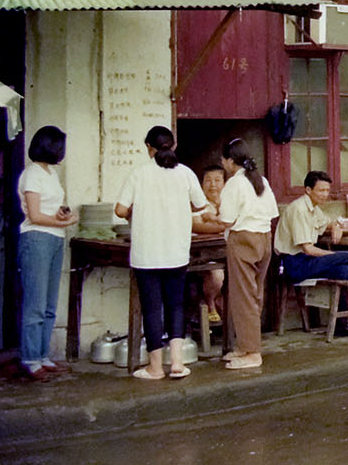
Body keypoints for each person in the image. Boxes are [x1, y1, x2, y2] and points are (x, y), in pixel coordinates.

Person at [114, 126, 210, 379]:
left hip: (147, 253)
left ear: (149, 147)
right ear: (174, 146)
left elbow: (120, 210)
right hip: (176, 251)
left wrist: (137, 210)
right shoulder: (186, 173)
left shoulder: (139, 173)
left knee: (151, 308)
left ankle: (155, 367)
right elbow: (201, 205)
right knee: (176, 305)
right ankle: (177, 363)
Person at [273, 171, 348, 327]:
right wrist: (334, 256)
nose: (325, 194)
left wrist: (336, 226)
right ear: (308, 190)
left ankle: (342, 324)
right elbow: (308, 249)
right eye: (321, 190)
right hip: (293, 264)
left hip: (305, 260)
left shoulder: (313, 208)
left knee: (345, 271)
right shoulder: (299, 209)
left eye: (327, 190)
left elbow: (328, 222)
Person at [16, 126, 78, 378]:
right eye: (60, 146)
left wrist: (62, 214)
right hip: (37, 238)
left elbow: (49, 209)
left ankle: (43, 355)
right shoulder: (32, 174)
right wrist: (64, 222)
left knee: (50, 303)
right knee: (36, 303)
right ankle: (31, 359)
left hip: (55, 238)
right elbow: (34, 215)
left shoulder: (51, 173)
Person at [218, 138, 279, 370]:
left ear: (229, 161)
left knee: (243, 297)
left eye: (223, 160)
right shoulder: (260, 180)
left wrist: (212, 218)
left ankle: (252, 353)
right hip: (263, 237)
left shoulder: (234, 183)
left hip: (243, 239)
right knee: (254, 295)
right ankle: (246, 345)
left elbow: (227, 220)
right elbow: (272, 212)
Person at [192, 163, 229, 324]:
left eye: (217, 180)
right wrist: (222, 226)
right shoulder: (198, 204)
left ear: (225, 183)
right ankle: (210, 302)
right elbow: (195, 225)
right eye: (208, 180)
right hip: (205, 254)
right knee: (216, 275)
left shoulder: (230, 202)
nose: (212, 185)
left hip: (230, 252)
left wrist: (215, 222)